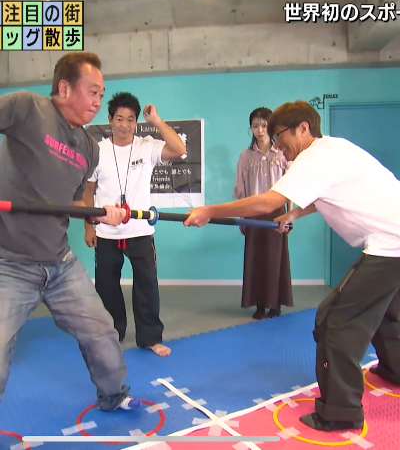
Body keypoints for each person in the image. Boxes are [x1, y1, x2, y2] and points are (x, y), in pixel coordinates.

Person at [182, 100, 400, 432]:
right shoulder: (334, 148)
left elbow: (267, 201)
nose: (279, 146)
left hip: (391, 246)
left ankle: (340, 411)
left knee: (335, 322)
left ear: (303, 128)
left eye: (280, 136)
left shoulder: (313, 157)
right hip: (394, 240)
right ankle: (395, 369)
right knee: (385, 309)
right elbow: (324, 194)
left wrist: (209, 211)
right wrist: (295, 212)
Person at [0, 52, 141, 412]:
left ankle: (113, 395)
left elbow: (77, 202)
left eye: (101, 94)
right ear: (64, 89)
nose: (97, 102)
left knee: (102, 331)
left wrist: (101, 215)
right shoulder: (27, 108)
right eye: (92, 92)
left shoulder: (89, 147)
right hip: (9, 264)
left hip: (60, 264)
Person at [83, 92, 185, 356]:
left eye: (130, 120)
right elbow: (88, 191)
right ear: (110, 119)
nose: (125, 125)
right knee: (106, 287)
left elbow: (179, 149)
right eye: (119, 119)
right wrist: (89, 226)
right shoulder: (98, 151)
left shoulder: (146, 146)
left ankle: (150, 338)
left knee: (147, 285)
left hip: (140, 231)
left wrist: (157, 121)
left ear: (137, 122)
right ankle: (112, 334)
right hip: (106, 232)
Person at [233, 107, 293, 319]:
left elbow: (291, 186)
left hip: (277, 212)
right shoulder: (245, 156)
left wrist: (290, 214)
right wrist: (242, 217)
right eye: (255, 126)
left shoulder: (282, 154)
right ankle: (259, 305)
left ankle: (275, 304)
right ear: (250, 128)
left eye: (264, 125)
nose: (260, 130)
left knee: (275, 259)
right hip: (252, 212)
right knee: (255, 259)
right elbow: (241, 189)